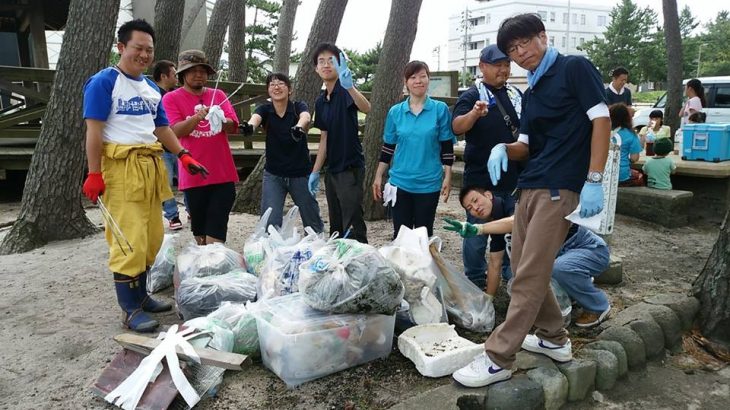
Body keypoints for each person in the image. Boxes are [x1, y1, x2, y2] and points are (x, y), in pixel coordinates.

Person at [452, 14, 611, 388]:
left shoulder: (574, 68)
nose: (520, 54)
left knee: (528, 276)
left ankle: (498, 357)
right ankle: (554, 338)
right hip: (529, 186)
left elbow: (601, 120)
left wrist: (594, 179)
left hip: (560, 189)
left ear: (543, 36)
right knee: (521, 263)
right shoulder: (533, 89)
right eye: (512, 50)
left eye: (524, 44)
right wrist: (502, 148)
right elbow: (525, 145)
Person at [82, 19, 208, 332]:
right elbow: (93, 132)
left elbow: (161, 128)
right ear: (121, 47)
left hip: (150, 168)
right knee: (129, 240)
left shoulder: (151, 88)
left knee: (152, 238)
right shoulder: (104, 82)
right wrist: (94, 173)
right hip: (121, 168)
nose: (144, 54)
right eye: (138, 48)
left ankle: (141, 297)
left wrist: (183, 154)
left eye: (149, 50)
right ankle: (129, 308)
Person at [444, 186, 612, 327]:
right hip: (558, 253)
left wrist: (479, 229)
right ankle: (573, 289)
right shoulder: (496, 228)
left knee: (557, 269)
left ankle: (598, 306)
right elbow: (495, 264)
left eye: (475, 200)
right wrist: (487, 300)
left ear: (488, 195)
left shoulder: (513, 202)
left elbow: (515, 221)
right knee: (515, 274)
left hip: (587, 248)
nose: (475, 208)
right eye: (470, 209)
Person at [451, 44, 522, 294]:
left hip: (513, 180)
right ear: (482, 66)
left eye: (506, 64)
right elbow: (457, 127)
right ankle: (475, 281)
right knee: (475, 236)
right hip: (480, 181)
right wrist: (474, 114)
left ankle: (510, 278)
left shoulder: (516, 95)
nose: (504, 69)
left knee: (513, 233)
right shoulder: (472, 95)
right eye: (497, 65)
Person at [162, 49, 239, 245]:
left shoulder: (218, 94)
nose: (199, 74)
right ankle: (206, 266)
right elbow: (174, 131)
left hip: (223, 173)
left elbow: (233, 126)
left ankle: (215, 260)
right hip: (193, 173)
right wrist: (197, 118)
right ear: (182, 74)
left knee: (217, 227)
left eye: (203, 70)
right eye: (193, 70)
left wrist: (220, 118)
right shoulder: (171, 98)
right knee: (200, 233)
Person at [371, 61, 455, 239]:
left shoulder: (440, 110)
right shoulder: (395, 112)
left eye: (423, 76)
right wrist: (378, 176)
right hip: (400, 182)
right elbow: (388, 147)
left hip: (429, 182)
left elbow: (447, 146)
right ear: (406, 82)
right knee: (401, 235)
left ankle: (424, 267)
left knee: (423, 235)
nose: (418, 81)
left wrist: (448, 176)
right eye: (413, 77)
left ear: (428, 79)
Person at [241, 72, 324, 232]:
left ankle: (317, 247)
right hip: (274, 174)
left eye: (281, 84)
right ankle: (271, 252)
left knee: (311, 218)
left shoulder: (298, 106)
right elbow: (255, 118)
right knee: (270, 221)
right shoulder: (265, 109)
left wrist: (299, 128)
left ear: (290, 90)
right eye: (272, 84)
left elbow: (305, 117)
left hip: (300, 173)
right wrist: (250, 126)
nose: (276, 87)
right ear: (268, 90)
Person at [310, 43, 371, 243]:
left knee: (352, 224)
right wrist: (315, 171)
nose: (326, 65)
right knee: (336, 226)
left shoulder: (345, 90)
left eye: (331, 60)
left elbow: (367, 108)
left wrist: (351, 87)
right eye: (321, 61)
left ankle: (361, 264)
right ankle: (338, 268)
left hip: (350, 167)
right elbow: (324, 137)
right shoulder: (321, 100)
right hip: (332, 170)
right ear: (316, 68)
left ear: (339, 65)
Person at [152, 59, 183, 231]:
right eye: (174, 74)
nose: (177, 77)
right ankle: (173, 216)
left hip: (178, 146)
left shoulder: (175, 95)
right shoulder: (152, 94)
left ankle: (192, 209)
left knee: (187, 179)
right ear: (164, 76)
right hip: (160, 149)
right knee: (166, 183)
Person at [611, 103, 644, 187]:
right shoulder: (631, 134)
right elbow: (634, 158)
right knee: (639, 177)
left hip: (602, 173)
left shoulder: (603, 130)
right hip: (621, 175)